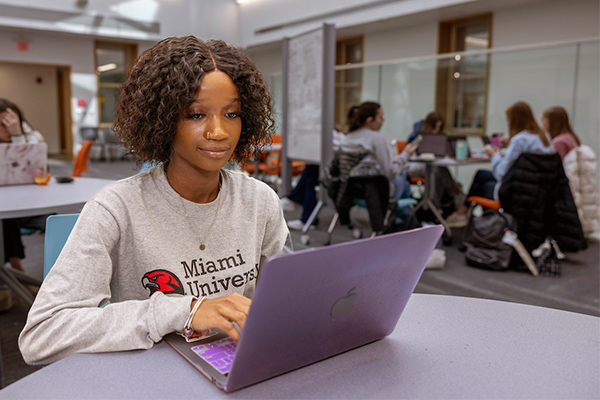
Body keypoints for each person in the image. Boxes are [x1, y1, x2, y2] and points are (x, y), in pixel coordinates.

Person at [19, 36, 292, 365]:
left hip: (237, 365)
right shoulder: (116, 208)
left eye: (232, 113)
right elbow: (42, 335)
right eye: (195, 115)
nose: (219, 131)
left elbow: (284, 298)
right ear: (161, 120)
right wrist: (185, 311)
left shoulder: (260, 200)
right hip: (154, 375)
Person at [447, 101, 555, 225]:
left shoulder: (519, 140)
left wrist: (495, 155)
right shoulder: (544, 138)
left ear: (514, 121)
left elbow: (501, 173)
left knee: (482, 183)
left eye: (508, 121)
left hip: (516, 194)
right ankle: (471, 217)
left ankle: (467, 216)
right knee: (482, 175)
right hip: (538, 191)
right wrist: (510, 144)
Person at [334, 101, 418, 234]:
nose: (383, 121)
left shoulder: (347, 139)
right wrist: (406, 154)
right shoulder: (376, 139)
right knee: (401, 177)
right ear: (370, 120)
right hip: (374, 193)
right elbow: (390, 172)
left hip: (351, 191)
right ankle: (404, 227)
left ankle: (402, 225)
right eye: (381, 117)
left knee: (401, 179)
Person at [0, 99, 47, 273]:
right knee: (5, 219)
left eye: (11, 123)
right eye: (2, 124)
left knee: (57, 221)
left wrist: (17, 136)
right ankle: (17, 271)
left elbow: (31, 173)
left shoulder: (32, 140)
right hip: (8, 211)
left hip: (30, 204)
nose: (7, 128)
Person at [542, 106, 599, 236]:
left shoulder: (559, 142)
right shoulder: (571, 137)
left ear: (552, 121)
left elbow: (553, 168)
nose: (542, 124)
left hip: (563, 188)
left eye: (543, 120)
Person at [406, 111, 465, 222]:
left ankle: (433, 206)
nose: (438, 130)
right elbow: (408, 150)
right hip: (415, 164)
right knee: (436, 169)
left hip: (431, 166)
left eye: (440, 127)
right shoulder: (418, 135)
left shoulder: (441, 138)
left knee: (438, 169)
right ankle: (452, 193)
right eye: (436, 127)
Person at [280, 129, 344, 231]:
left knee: (311, 170)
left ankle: (294, 202)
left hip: (343, 176)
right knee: (310, 180)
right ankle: (308, 220)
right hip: (335, 170)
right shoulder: (334, 134)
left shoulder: (342, 137)